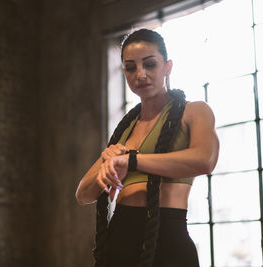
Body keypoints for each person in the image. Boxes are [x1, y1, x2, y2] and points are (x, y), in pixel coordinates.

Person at [76, 28, 219, 267]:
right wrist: (107, 164)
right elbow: (83, 194)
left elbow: (206, 159)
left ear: (168, 67)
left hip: (168, 238)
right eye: (130, 67)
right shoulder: (125, 130)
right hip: (118, 240)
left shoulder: (194, 111)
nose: (140, 74)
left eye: (149, 64)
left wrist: (131, 161)